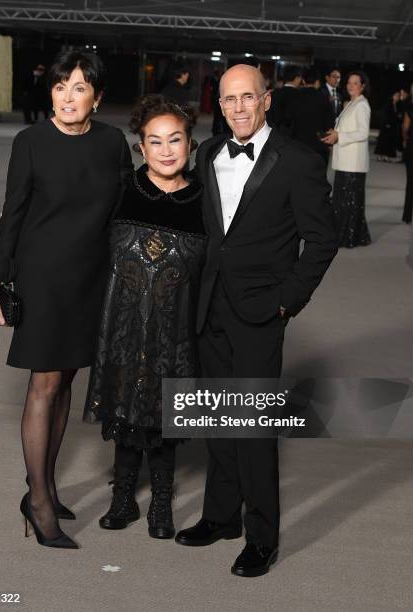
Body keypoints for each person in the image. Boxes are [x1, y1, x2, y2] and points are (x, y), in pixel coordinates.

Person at [175, 65, 338, 577]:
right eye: (229, 100)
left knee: (251, 426)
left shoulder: (298, 161)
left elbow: (323, 239)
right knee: (217, 418)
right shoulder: (207, 154)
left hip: (262, 311)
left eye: (249, 97)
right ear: (218, 106)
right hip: (209, 306)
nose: (239, 108)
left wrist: (288, 300)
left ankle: (262, 535)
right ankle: (220, 517)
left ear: (266, 100)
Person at [0, 51, 132, 549]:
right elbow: (13, 211)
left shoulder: (112, 144)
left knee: (66, 377)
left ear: (98, 98)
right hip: (42, 278)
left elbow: (125, 209)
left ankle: (42, 482)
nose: (68, 96)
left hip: (91, 278)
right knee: (45, 382)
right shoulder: (31, 142)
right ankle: (40, 500)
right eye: (61, 85)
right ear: (51, 92)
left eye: (80, 87)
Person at [83, 95, 206, 539]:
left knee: (165, 412)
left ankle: (160, 501)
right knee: (124, 404)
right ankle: (123, 498)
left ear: (191, 143)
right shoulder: (122, 192)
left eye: (175, 140)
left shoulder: (204, 201)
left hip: (177, 330)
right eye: (155, 142)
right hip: (123, 324)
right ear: (142, 148)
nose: (166, 150)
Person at [322, 71, 372, 247]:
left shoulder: (362, 105)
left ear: (363, 86)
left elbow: (363, 132)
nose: (351, 86)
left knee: (347, 202)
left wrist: (339, 136)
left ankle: (348, 237)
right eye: (349, 82)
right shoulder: (352, 103)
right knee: (344, 201)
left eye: (355, 83)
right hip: (346, 161)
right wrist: (333, 135)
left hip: (353, 164)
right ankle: (352, 235)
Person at [286, 68, 334, 163]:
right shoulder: (324, 98)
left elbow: (288, 120)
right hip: (318, 147)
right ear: (317, 82)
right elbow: (329, 123)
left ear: (303, 81)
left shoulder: (294, 97)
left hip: (298, 145)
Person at [266, 64, 302, 134]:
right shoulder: (300, 95)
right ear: (297, 78)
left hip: (274, 134)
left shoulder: (273, 94)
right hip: (294, 137)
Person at [375, 91, 404, 162]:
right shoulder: (388, 104)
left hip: (393, 126)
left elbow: (396, 115)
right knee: (383, 141)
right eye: (396, 95)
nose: (398, 97)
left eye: (398, 96)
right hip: (386, 125)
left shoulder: (397, 105)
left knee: (389, 142)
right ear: (392, 96)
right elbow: (385, 114)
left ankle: (387, 156)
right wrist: (386, 123)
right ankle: (381, 155)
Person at [401, 97, 413, 223]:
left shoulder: (410, 109)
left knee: (410, 183)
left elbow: (405, 128)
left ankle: (407, 216)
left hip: (411, 148)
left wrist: (405, 140)